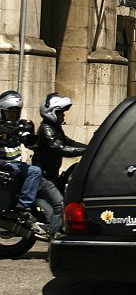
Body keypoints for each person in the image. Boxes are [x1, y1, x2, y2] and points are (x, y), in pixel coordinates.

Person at [0, 90, 44, 232]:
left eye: (15, 112)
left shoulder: (19, 126)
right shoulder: (2, 127)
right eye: (9, 112)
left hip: (16, 165)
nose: (13, 115)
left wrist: (31, 135)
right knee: (25, 170)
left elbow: (29, 141)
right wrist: (14, 135)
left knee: (36, 171)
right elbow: (9, 141)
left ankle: (23, 207)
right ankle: (15, 207)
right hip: (3, 163)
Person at [33, 93, 87, 184]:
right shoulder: (46, 129)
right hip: (44, 179)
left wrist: (92, 146)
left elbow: (70, 143)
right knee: (59, 199)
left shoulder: (55, 128)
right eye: (60, 112)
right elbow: (61, 149)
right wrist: (87, 151)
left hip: (53, 176)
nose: (63, 115)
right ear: (51, 113)